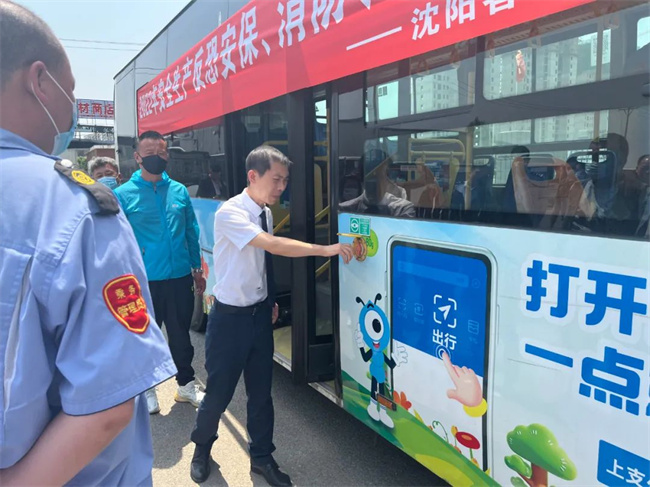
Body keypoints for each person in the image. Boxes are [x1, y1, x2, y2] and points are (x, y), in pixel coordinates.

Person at [0, 2, 176, 485]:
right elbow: (107, 407)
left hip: (176, 278)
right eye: (71, 90)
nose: (72, 106)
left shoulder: (175, 192)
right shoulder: (75, 207)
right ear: (39, 81)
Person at [190, 145, 353, 485]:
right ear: (253, 176)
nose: (282, 187)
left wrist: (269, 299)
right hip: (229, 319)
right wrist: (325, 249)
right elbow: (273, 246)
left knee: (261, 395)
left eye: (285, 180)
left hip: (259, 316)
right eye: (276, 179)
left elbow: (261, 263)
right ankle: (202, 447)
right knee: (218, 393)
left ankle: (262, 458)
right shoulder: (231, 212)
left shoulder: (264, 211)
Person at [115, 130, 206, 414]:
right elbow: (116, 241)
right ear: (137, 157)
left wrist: (196, 268)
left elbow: (191, 231)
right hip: (143, 282)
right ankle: (147, 389)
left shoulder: (178, 191)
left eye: (162, 152)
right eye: (151, 153)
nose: (157, 157)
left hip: (179, 278)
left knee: (181, 336)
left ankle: (186, 385)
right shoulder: (123, 195)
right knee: (145, 337)